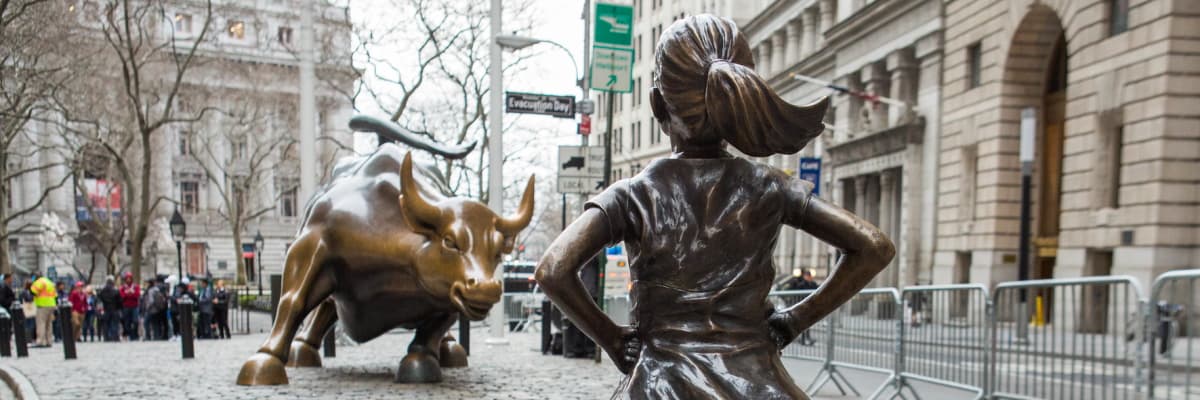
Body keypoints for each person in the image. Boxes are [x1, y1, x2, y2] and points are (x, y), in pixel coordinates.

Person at [536, 15, 895, 400]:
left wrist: (611, 338)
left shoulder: (631, 195)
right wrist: (793, 321)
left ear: (657, 103)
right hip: (758, 383)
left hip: (659, 383)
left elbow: (553, 269)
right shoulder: (770, 186)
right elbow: (873, 246)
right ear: (742, 99)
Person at [30, 274, 57, 348]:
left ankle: (41, 341)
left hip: (42, 305)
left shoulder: (39, 282)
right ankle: (49, 341)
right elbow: (55, 295)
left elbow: (33, 291)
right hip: (51, 304)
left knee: (41, 323)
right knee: (49, 324)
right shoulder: (50, 282)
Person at [97, 276, 121, 341]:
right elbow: (119, 301)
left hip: (106, 309)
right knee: (115, 324)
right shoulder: (115, 291)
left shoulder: (102, 291)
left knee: (106, 324)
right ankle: (115, 337)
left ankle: (106, 337)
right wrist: (119, 308)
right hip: (114, 309)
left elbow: (99, 299)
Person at [119, 272, 140, 341]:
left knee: (135, 321)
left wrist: (131, 293)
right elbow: (122, 296)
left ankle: (135, 335)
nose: (128, 280)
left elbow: (137, 295)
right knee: (127, 322)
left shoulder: (136, 286)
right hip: (126, 306)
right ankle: (129, 334)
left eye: (129, 278)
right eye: (127, 278)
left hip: (134, 306)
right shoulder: (123, 287)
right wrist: (128, 293)